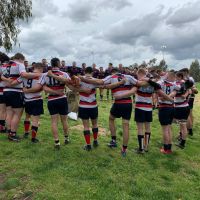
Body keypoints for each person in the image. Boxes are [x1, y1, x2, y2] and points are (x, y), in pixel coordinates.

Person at [80, 68, 143, 156]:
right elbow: (139, 83)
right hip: (128, 103)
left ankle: (113, 140)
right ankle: (124, 149)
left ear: (112, 72)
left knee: (111, 118)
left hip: (118, 103)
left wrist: (83, 79)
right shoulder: (128, 76)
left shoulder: (111, 77)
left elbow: (99, 82)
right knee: (126, 125)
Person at [1, 53, 40, 141]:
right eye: (23, 60)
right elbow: (24, 75)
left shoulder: (4, 65)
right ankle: (13, 134)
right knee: (17, 114)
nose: (23, 62)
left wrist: (7, 80)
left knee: (9, 112)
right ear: (20, 58)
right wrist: (39, 75)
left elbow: (1, 76)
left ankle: (9, 131)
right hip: (16, 91)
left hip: (6, 91)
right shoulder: (20, 64)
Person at [9, 63, 44, 143]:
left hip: (27, 100)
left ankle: (26, 132)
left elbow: (13, 83)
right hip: (36, 99)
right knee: (35, 120)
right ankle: (33, 138)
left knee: (27, 117)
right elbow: (40, 88)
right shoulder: (41, 76)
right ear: (40, 68)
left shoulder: (24, 75)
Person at [157, 71, 178, 154]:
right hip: (171, 107)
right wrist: (169, 97)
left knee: (165, 129)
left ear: (168, 76)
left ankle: (166, 149)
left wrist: (165, 98)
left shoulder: (161, 82)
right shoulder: (174, 84)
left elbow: (156, 85)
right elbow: (178, 89)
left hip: (164, 107)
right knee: (169, 128)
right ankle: (169, 148)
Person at [0, 52, 10, 133]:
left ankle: (2, 127)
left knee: (2, 110)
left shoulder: (0, 67)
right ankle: (4, 127)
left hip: (1, 90)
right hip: (7, 89)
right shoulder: (10, 66)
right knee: (6, 110)